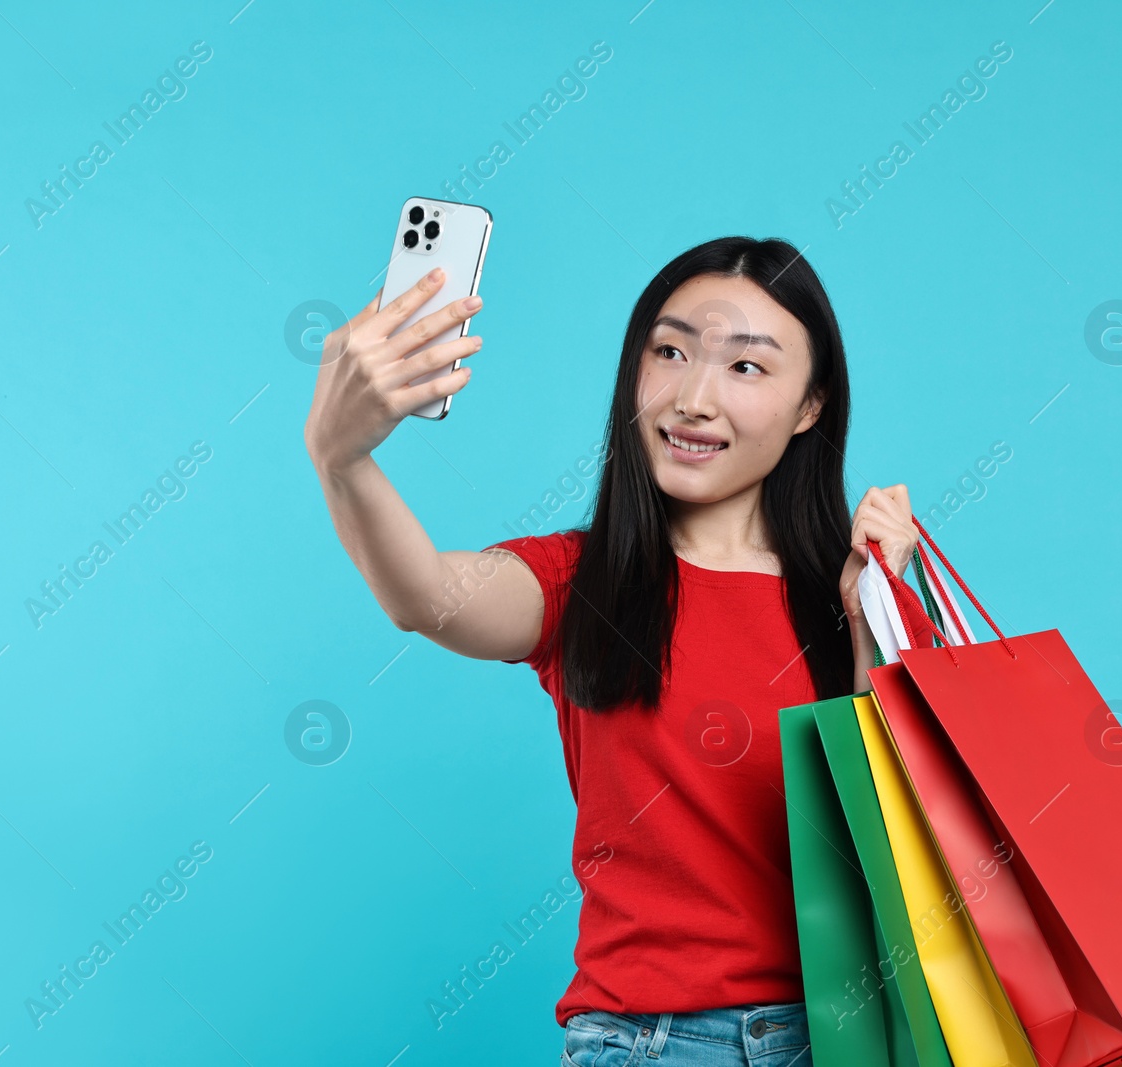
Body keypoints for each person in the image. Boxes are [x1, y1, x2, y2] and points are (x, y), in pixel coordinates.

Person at [304, 235, 918, 1067]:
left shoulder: (855, 597)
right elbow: (423, 596)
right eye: (670, 351)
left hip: (856, 1040)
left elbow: (903, 841)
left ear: (812, 404)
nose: (694, 397)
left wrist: (874, 618)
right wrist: (342, 458)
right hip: (656, 1045)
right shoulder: (579, 582)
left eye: (746, 368)